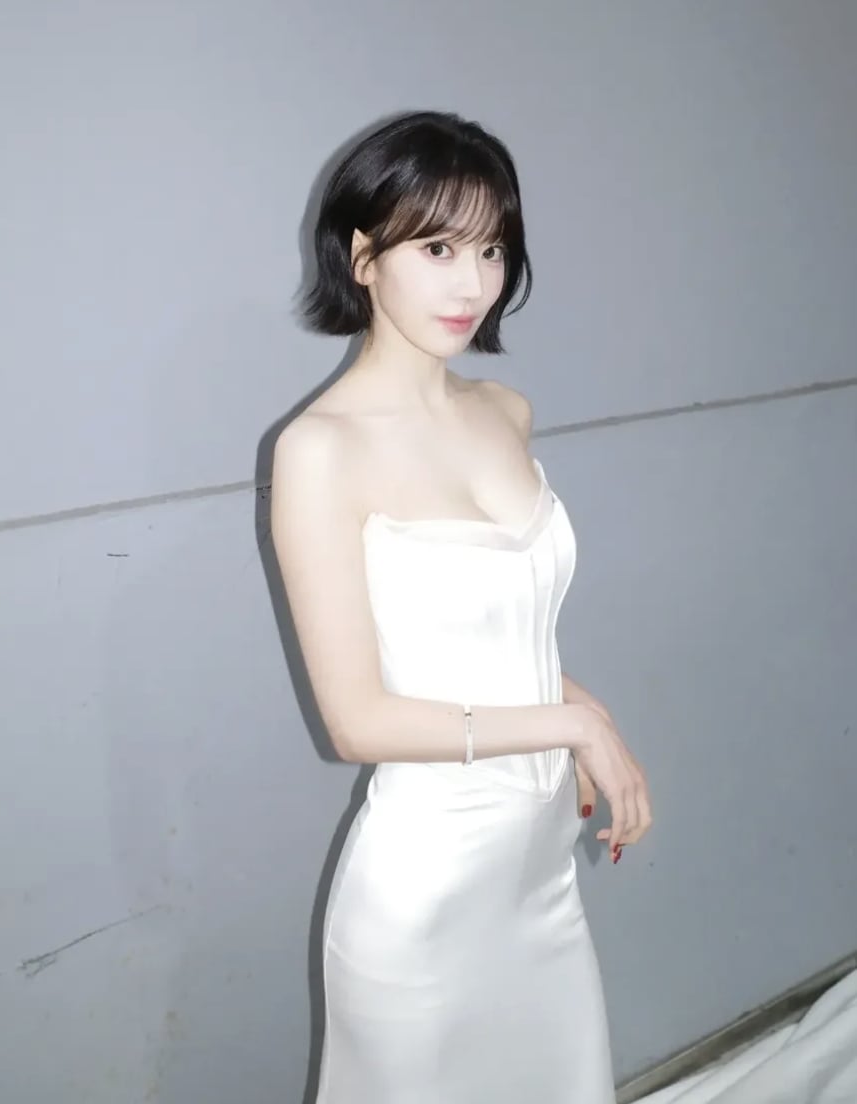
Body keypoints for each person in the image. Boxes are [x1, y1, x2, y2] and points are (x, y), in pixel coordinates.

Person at [270, 110, 653, 1104]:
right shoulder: (319, 451)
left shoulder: (504, 412)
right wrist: (574, 724)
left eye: (491, 248)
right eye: (437, 248)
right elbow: (358, 722)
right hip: (426, 891)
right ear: (363, 256)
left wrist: (587, 713)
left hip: (538, 873)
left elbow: (486, 639)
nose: (473, 283)